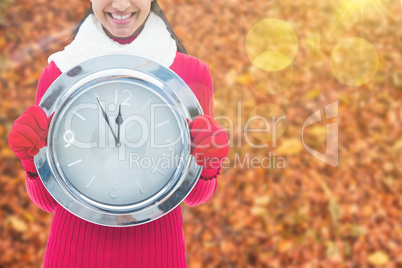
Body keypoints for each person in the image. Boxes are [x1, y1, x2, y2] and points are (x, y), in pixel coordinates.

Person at [8, 0, 229, 267]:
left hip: (158, 255)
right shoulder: (58, 73)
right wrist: (30, 159)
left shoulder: (192, 73)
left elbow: (194, 196)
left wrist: (209, 163)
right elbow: (48, 201)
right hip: (72, 255)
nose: (121, 4)